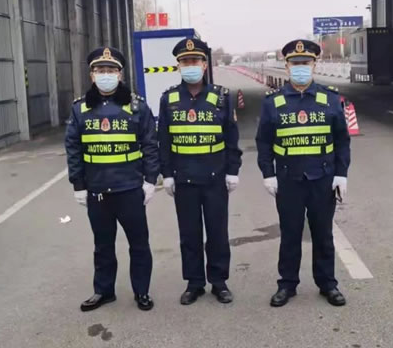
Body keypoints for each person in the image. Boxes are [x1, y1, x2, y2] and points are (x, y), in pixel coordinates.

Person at [255, 39, 350, 308]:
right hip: (288, 180)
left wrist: (341, 174)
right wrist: (268, 173)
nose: (300, 68)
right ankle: (287, 284)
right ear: (286, 67)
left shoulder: (330, 99)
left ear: (314, 65)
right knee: (290, 234)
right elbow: (264, 142)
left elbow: (342, 141)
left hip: (323, 178)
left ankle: (328, 284)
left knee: (323, 235)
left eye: (305, 63)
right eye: (295, 63)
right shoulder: (273, 102)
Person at [64, 46, 159, 312]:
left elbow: (150, 145)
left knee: (139, 244)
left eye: (111, 70)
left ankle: (141, 291)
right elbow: (73, 149)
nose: (105, 74)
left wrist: (150, 180)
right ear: (92, 75)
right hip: (97, 190)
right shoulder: (80, 109)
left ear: (120, 74)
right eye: (100, 70)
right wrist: (78, 185)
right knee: (102, 245)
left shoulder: (137, 107)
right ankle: (104, 291)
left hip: (130, 188)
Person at [158, 37, 242, 305]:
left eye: (195, 61)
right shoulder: (169, 98)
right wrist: (166, 174)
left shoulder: (222, 97)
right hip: (184, 179)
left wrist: (233, 170)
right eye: (185, 62)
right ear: (178, 66)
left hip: (215, 178)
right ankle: (194, 283)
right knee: (189, 235)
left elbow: (231, 138)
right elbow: (164, 141)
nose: (190, 66)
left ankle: (219, 282)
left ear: (205, 65)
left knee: (217, 233)